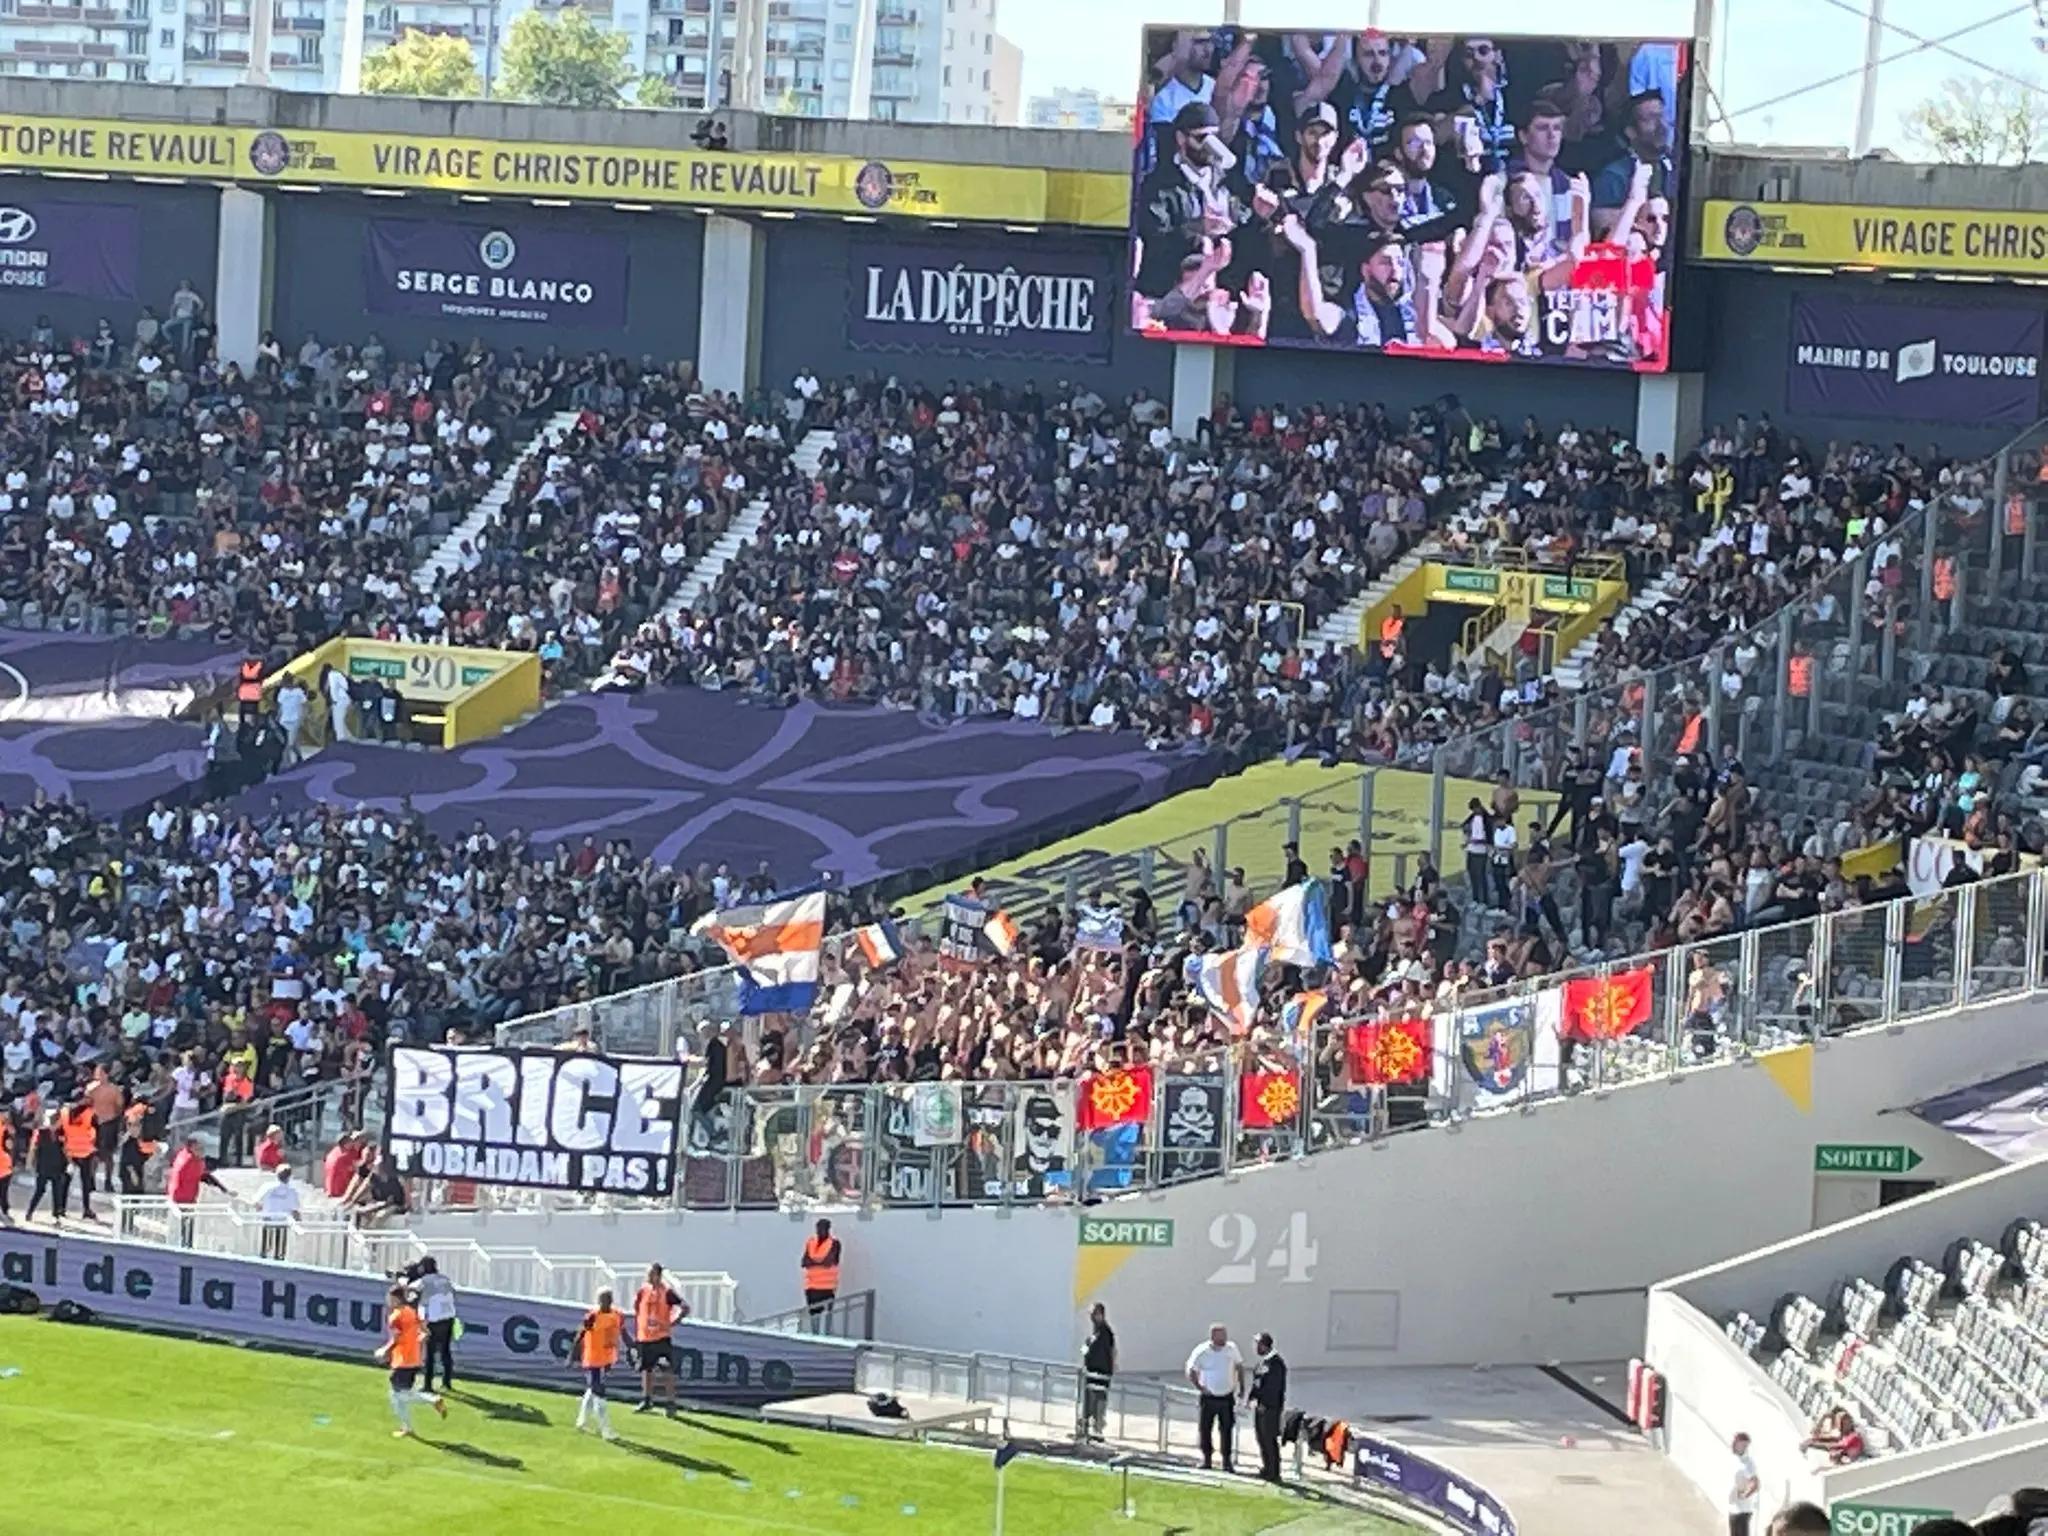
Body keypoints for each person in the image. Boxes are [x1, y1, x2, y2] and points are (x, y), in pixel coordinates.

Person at [374, 1282, 447, 1438]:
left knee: (399, 1395)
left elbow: (396, 1338)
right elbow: (426, 1332)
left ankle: (432, 1400)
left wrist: (384, 1351)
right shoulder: (411, 1312)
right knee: (398, 1395)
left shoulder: (395, 1316)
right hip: (414, 1358)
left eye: (390, 1297)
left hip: (403, 1360)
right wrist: (418, 1340)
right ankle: (407, 1427)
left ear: (395, 1298)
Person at [1186, 1322, 1244, 1473]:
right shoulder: (1202, 1351)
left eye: (1225, 1334)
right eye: (1221, 1335)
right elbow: (1191, 1370)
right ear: (1213, 1336)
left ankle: (1226, 1461)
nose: (1224, 1338)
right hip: (1209, 1397)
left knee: (1226, 1429)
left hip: (1226, 1396)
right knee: (1205, 1428)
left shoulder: (1231, 1349)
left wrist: (1241, 1387)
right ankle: (1207, 1459)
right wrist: (1200, 1387)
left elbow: (1239, 1366)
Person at [633, 1262, 689, 1416]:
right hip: (645, 1337)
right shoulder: (643, 1290)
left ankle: (670, 1403)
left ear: (658, 1275)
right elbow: (637, 1308)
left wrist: (675, 1321)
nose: (648, 1276)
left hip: (661, 1337)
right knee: (646, 1369)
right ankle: (646, 1400)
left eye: (651, 1274)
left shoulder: (667, 1292)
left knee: (667, 1370)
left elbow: (685, 1306)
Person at [571, 1288, 625, 1441]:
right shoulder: (592, 1316)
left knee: (592, 1390)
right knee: (599, 1393)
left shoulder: (617, 1315)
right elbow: (581, 1333)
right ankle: (606, 1431)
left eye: (608, 1298)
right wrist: (573, 1354)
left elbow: (622, 1332)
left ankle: (581, 1422)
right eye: (602, 1299)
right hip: (593, 1360)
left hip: (607, 1359)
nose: (605, 1302)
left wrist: (633, 1347)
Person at [166, 1136, 227, 1245]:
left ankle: (182, 1245)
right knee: (186, 1228)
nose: (201, 1151)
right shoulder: (191, 1161)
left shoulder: (182, 1155)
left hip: (176, 1196)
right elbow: (204, 1176)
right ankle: (186, 1247)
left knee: (180, 1227)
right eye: (198, 1148)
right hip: (185, 1199)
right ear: (191, 1148)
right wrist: (223, 1189)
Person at [415, 1258, 460, 1393]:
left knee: (430, 1352)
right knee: (445, 1351)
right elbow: (453, 1293)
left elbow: (413, 1291)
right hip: (449, 1317)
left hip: (435, 1319)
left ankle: (428, 1385)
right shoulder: (445, 1279)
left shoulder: (425, 1281)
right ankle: (447, 1382)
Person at [1248, 1330, 1288, 1482]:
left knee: (1269, 1438)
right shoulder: (1261, 1363)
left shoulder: (1276, 1363)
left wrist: (1265, 1403)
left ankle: (1274, 1471)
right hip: (1260, 1407)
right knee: (1261, 1438)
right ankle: (1266, 1467)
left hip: (1271, 1408)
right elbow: (1257, 1383)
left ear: (1265, 1345)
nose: (1256, 1347)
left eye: (1258, 1344)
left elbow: (1274, 1388)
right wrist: (1252, 1398)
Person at [1081, 1302, 1117, 1442]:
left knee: (1099, 1403)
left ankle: (1097, 1431)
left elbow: (1111, 1352)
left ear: (1100, 1315)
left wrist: (1110, 1371)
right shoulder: (1095, 1332)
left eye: (1094, 1314)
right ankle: (1086, 1428)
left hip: (1100, 1374)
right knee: (1089, 1403)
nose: (1091, 1317)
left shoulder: (1105, 1333)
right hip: (1091, 1373)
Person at [26, 1110, 70, 1223]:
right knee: (40, 1190)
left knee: (57, 1192)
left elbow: (65, 1148)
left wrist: (69, 1163)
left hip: (58, 1165)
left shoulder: (62, 1132)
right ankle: (30, 1212)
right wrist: (30, 1163)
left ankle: (56, 1216)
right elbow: (33, 1148)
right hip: (44, 1166)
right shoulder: (41, 1132)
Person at [60, 1094, 98, 1220]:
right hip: (86, 1152)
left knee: (65, 1181)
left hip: (69, 1152)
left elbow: (61, 1131)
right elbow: (96, 1130)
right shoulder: (89, 1113)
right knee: (85, 1182)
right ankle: (86, 1209)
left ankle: (61, 1208)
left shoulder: (65, 1113)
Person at [801, 1218, 842, 1327]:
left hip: (827, 1288)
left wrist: (813, 1261)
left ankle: (825, 1338)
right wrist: (819, 1261)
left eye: (822, 1228)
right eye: (818, 1228)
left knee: (827, 1317)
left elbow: (828, 1262)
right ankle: (816, 1338)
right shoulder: (811, 1242)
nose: (819, 1231)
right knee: (814, 1317)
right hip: (811, 1287)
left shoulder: (834, 1243)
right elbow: (804, 1262)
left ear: (828, 1229)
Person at [255, 1166, 302, 1260]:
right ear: (289, 1176)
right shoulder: (292, 1191)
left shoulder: (267, 1187)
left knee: (265, 1249)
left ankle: (263, 1259)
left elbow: (256, 1202)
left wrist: (262, 1209)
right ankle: (279, 1260)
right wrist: (299, 1221)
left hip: (268, 1221)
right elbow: (295, 1209)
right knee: (280, 1251)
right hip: (283, 1222)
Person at [1728, 1430, 1759, 1536]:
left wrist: (1744, 1495)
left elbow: (1755, 1483)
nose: (1733, 1445)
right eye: (1734, 1442)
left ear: (1745, 1446)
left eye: (1737, 1443)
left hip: (1743, 1511)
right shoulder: (1736, 1460)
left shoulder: (1748, 1463)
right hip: (1733, 1509)